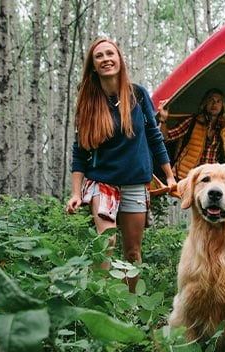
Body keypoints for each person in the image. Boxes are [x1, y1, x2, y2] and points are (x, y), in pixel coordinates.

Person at [66, 38, 176, 293]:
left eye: (110, 54)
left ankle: (130, 306)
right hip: (102, 181)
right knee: (107, 243)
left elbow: (154, 136)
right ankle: (101, 304)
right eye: (99, 56)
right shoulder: (88, 102)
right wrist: (75, 192)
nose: (106, 59)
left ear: (119, 59)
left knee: (132, 250)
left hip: (136, 182)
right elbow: (80, 151)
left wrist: (169, 176)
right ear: (93, 66)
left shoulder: (137, 94)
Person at [155, 88, 225, 180]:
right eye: (211, 100)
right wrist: (163, 120)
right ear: (205, 104)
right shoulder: (192, 122)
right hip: (187, 177)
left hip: (211, 179)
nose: (214, 104)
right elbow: (166, 138)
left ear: (223, 106)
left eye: (218, 101)